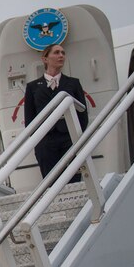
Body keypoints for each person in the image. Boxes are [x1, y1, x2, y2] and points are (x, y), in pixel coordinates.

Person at [23, 43, 88, 181]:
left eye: (63, 53)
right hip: (45, 140)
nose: (61, 56)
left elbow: (83, 113)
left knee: (73, 179)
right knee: (50, 180)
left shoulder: (73, 83)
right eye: (57, 52)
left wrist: (77, 135)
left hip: (69, 137)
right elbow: (30, 117)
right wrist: (38, 139)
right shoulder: (33, 87)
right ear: (45, 59)